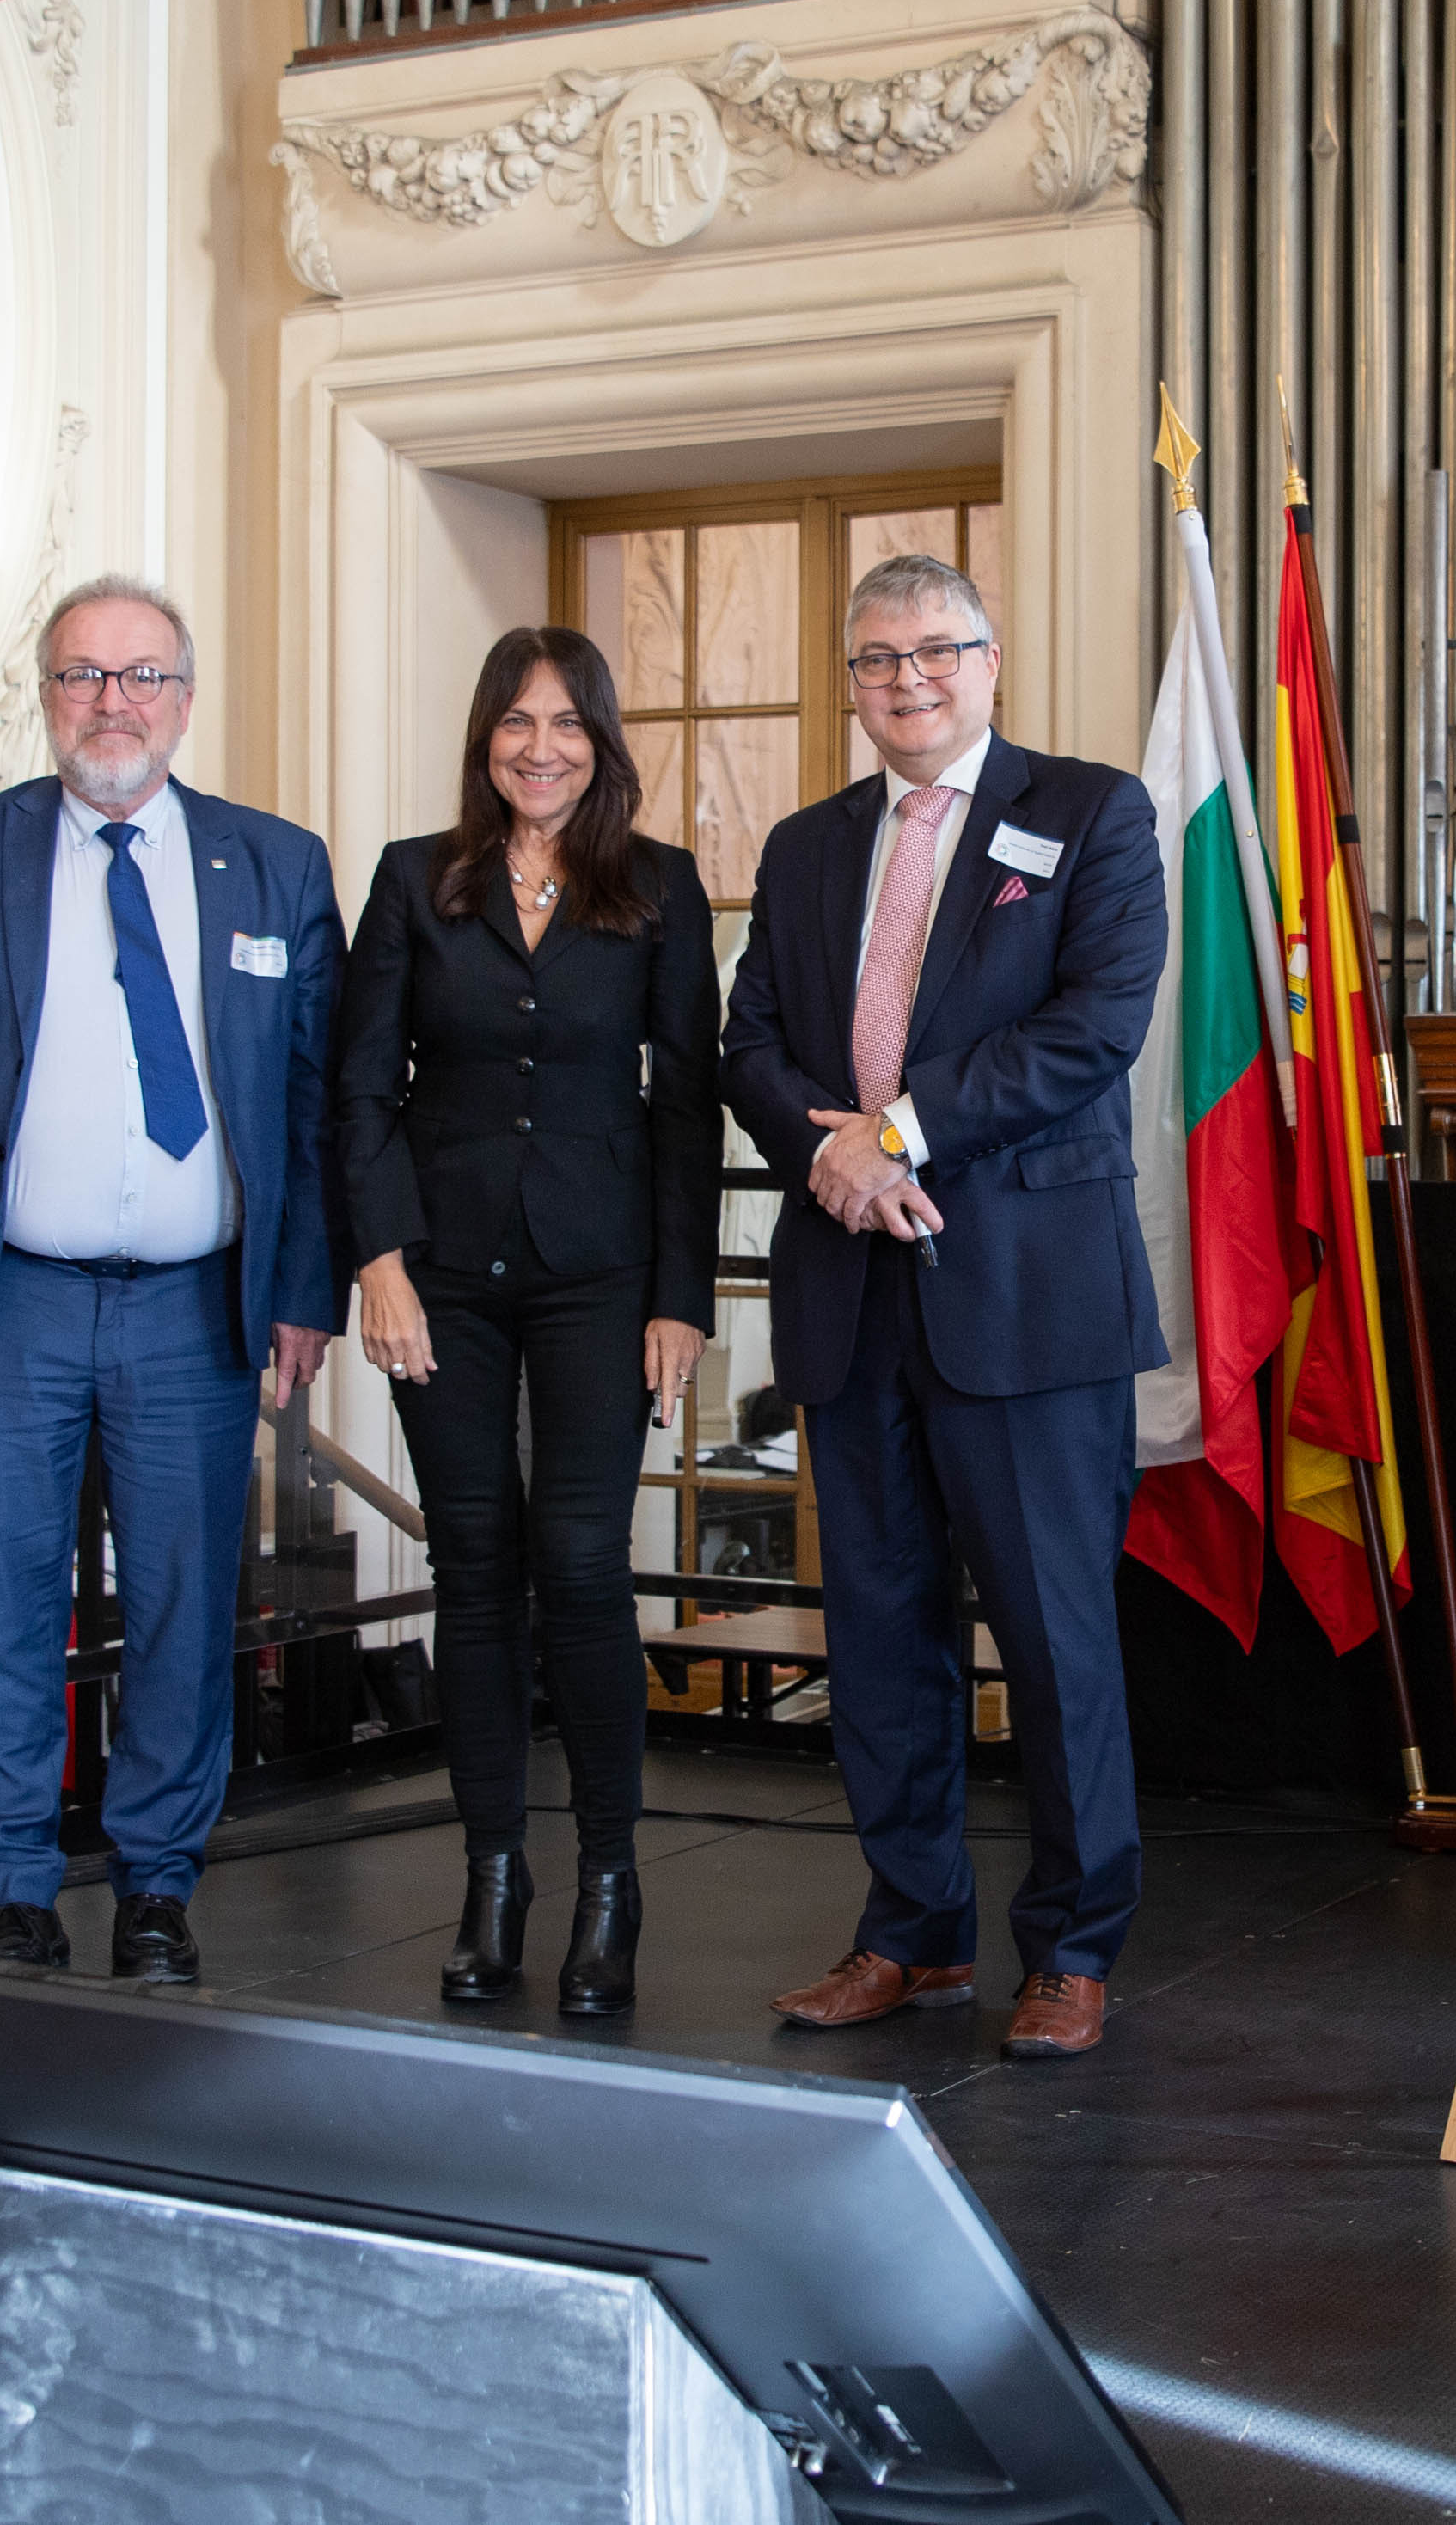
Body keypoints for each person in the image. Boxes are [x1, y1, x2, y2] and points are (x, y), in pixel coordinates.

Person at [719, 553, 1166, 2062]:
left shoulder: (1091, 814)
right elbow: (749, 1042)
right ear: (850, 682)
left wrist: (894, 1136)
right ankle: (910, 1935)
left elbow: (1094, 1027)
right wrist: (831, 1155)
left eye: (935, 650)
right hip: (851, 1292)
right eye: (876, 658)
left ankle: (1074, 1949)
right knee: (881, 1637)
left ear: (988, 660)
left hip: (1027, 1300)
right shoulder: (804, 846)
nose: (906, 679)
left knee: (1053, 1640)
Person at [0, 577, 342, 1983]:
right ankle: (14, 1878)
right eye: (82, 675)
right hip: (8, 1301)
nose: (111, 703)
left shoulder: (275, 866)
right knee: (0, 1596)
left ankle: (156, 1885)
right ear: (46, 697)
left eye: (142, 676)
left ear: (184, 700)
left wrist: (303, 1290)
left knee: (186, 1607)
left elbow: (311, 1104)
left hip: (198, 1307)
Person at [333, 628, 718, 2017]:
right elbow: (360, 1086)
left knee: (582, 1564)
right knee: (475, 1568)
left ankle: (609, 1881)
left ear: (600, 743)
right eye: (516, 722)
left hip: (602, 1272)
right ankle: (492, 1876)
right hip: (439, 1270)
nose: (539, 748)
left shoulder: (659, 886)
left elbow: (685, 1103)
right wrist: (376, 1260)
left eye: (566, 724)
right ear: (484, 738)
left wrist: (682, 1299)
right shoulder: (412, 879)